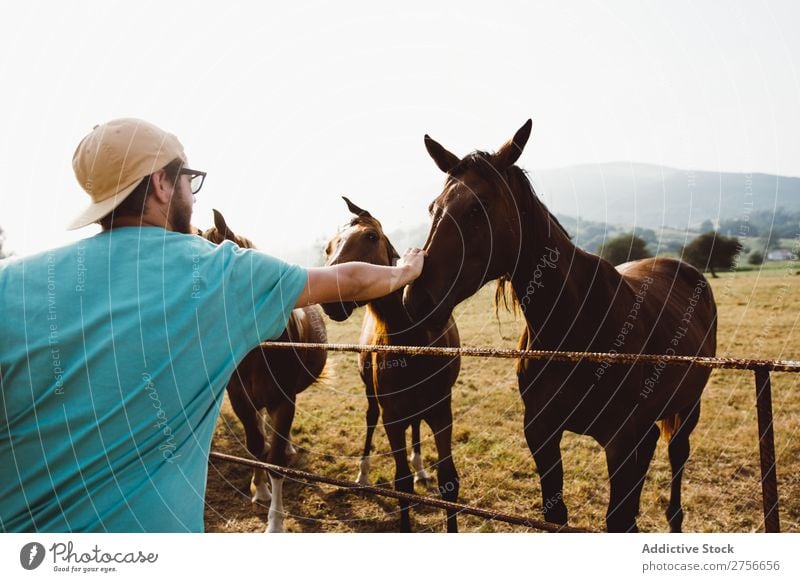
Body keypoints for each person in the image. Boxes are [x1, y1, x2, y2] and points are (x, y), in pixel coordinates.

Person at [0, 118, 425, 532]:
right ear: (162, 184)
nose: (194, 195)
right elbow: (346, 279)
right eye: (189, 178)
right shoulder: (218, 273)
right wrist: (403, 270)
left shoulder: (9, 283)